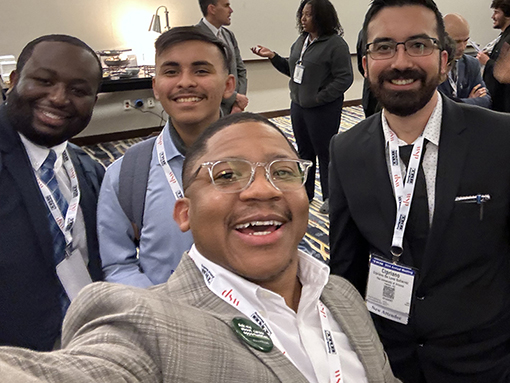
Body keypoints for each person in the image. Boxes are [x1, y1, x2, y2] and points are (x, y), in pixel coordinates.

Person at [0, 112, 399, 383]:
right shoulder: (145, 325)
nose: (263, 188)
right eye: (227, 175)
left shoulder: (342, 296)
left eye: (282, 171)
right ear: (184, 213)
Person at [329, 0, 510, 382]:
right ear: (364, 63)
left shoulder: (500, 138)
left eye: (418, 45)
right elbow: (346, 270)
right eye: (383, 47)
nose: (400, 62)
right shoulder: (345, 151)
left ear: (445, 60)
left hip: (483, 361)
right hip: (388, 359)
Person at [97, 27, 235, 288]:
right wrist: (161, 310)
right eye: (171, 72)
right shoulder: (126, 175)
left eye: (201, 70)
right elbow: (118, 264)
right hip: (164, 318)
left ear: (228, 85)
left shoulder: (261, 164)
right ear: (156, 87)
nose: (185, 82)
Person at [0, 34, 105, 351]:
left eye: (79, 91)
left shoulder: (90, 170)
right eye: (44, 81)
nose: (59, 98)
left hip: (88, 343)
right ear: (14, 80)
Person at [252, 0, 353, 214]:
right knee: (304, 153)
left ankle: (330, 197)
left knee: (325, 153)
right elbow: (293, 70)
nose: (303, 19)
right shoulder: (302, 41)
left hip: (322, 109)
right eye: (302, 14)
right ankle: (306, 194)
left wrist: (319, 98)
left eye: (308, 15)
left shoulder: (336, 45)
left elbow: (344, 78)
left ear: (321, 17)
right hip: (299, 106)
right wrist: (272, 57)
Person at [196, 0, 248, 114]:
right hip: (209, 110)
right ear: (212, 9)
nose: (231, 10)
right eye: (226, 6)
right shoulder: (196, 37)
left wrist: (238, 104)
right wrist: (233, 97)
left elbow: (241, 70)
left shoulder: (229, 35)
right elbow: (201, 78)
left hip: (234, 109)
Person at [438, 13, 492, 108]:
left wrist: (457, 103)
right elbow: (435, 104)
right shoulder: (431, 65)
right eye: (457, 42)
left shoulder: (472, 64)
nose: (462, 47)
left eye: (466, 40)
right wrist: (469, 101)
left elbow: (486, 100)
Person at [476, 0, 510, 112]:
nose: (493, 16)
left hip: (504, 105)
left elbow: (505, 72)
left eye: (496, 12)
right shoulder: (503, 37)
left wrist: (487, 62)